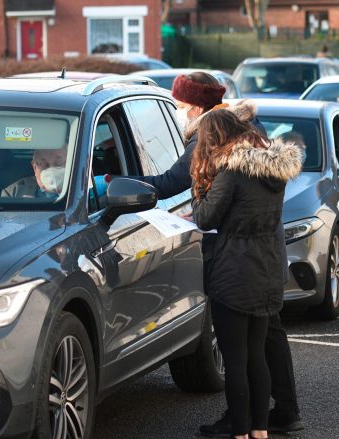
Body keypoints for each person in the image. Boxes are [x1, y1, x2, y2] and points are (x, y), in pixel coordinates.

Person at [135, 72, 304, 436]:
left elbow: (190, 201)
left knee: (238, 354)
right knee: (262, 341)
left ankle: (241, 423)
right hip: (268, 256)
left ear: (196, 107)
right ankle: (273, 415)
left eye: (180, 106)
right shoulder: (257, 145)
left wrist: (118, 185)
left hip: (237, 262)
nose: (178, 113)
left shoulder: (219, 149)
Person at [191, 109, 302, 439]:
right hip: (267, 268)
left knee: (235, 361)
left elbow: (205, 218)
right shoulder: (274, 170)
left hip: (234, 272)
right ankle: (259, 430)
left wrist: (199, 187)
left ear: (214, 139)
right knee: (256, 357)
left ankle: (240, 431)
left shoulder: (229, 173)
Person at [2, 147, 67, 198]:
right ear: (35, 167)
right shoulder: (13, 193)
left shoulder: (77, 189)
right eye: (44, 164)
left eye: (59, 162)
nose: (52, 169)